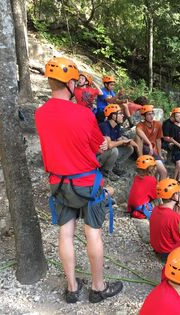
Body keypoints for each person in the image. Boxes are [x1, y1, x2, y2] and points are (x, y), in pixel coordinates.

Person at [35, 56, 122, 303]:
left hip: (59, 183)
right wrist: (102, 145)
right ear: (72, 82)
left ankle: (72, 288)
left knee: (66, 234)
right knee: (92, 233)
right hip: (86, 183)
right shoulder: (83, 115)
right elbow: (100, 146)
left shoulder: (40, 114)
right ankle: (98, 287)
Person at [98, 104, 141, 179]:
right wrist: (122, 142)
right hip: (98, 155)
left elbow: (119, 139)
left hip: (106, 153)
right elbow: (110, 145)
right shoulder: (104, 126)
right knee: (114, 150)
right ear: (114, 116)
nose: (122, 115)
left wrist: (131, 143)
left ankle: (114, 165)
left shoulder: (116, 126)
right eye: (120, 113)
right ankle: (106, 170)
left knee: (130, 148)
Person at [149, 178, 180, 261]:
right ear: (175, 195)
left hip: (158, 250)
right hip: (169, 254)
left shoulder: (155, 209)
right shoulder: (174, 217)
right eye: (179, 192)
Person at [136, 104, 168, 179]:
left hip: (153, 151)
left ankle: (160, 189)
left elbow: (158, 140)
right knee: (155, 171)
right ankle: (140, 159)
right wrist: (149, 143)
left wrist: (160, 154)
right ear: (144, 116)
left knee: (163, 172)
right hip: (144, 149)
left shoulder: (157, 124)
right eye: (148, 114)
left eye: (152, 113)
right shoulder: (140, 125)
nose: (151, 116)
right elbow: (138, 131)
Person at [127, 155, 157, 219]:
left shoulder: (136, 177)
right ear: (151, 169)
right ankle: (140, 213)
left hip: (130, 207)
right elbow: (155, 196)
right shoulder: (151, 180)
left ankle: (136, 212)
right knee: (156, 216)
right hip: (141, 207)